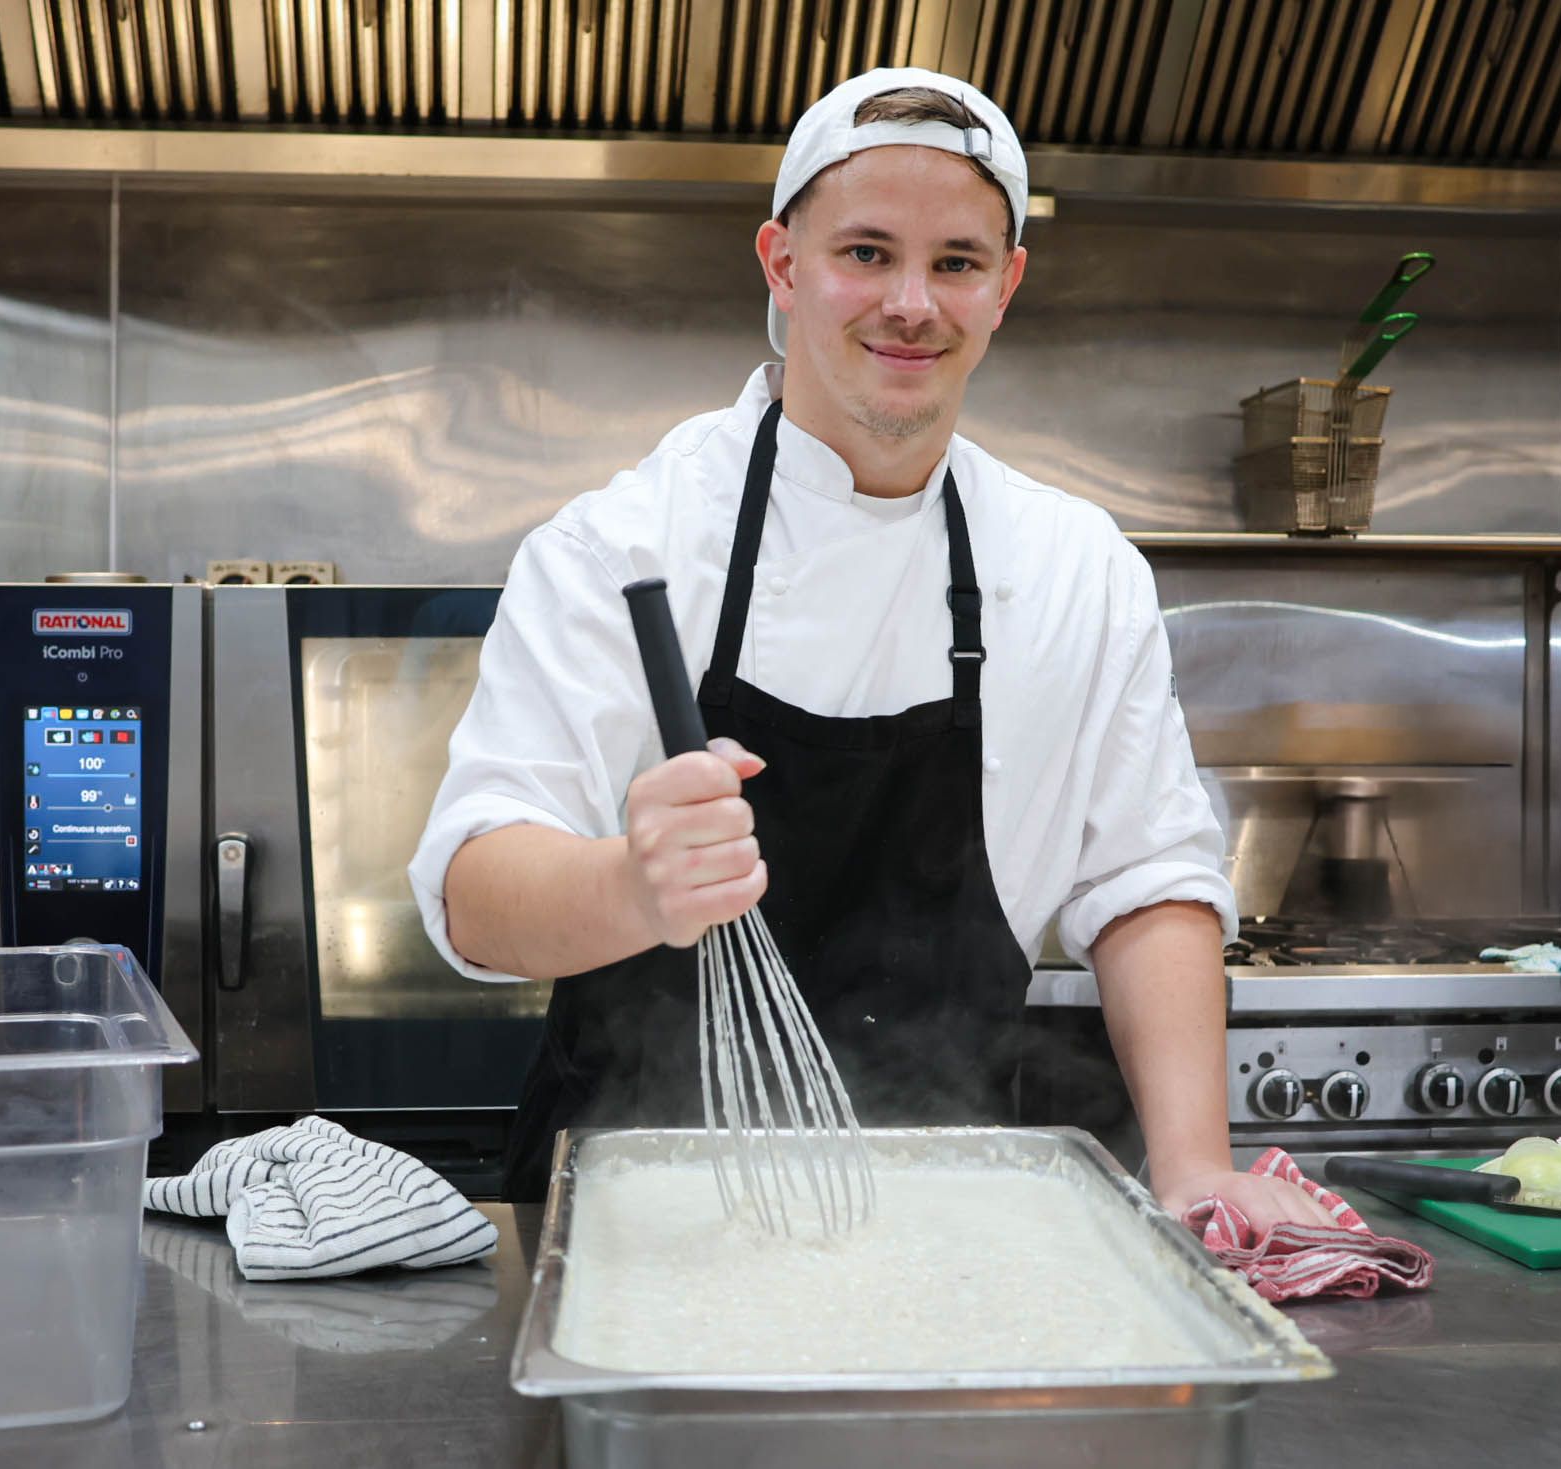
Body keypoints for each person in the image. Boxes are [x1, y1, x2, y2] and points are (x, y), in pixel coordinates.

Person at [410, 67, 1333, 1227]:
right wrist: (630, 884)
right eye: (864, 252)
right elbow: (474, 891)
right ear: (782, 267)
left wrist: (1194, 1163)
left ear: (1005, 286)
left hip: (952, 1213)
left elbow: (1146, 881)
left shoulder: (1072, 567)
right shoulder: (622, 543)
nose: (911, 302)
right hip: (627, 1221)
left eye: (955, 261)